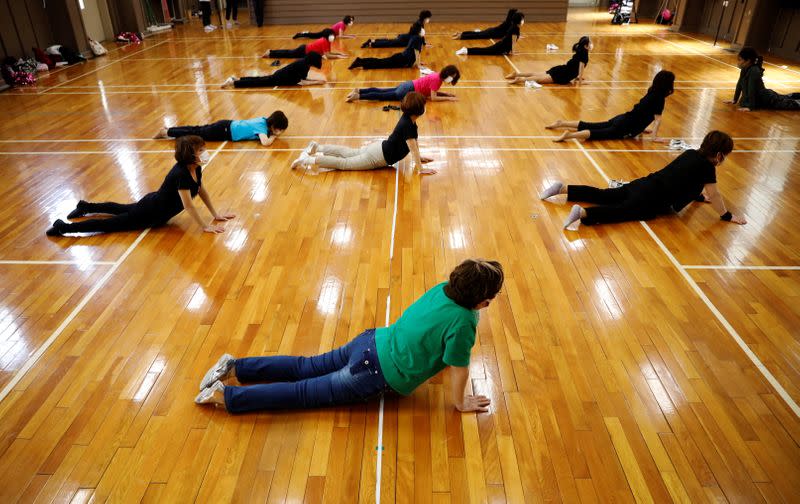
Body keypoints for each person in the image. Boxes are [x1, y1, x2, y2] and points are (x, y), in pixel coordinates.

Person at [194, 259, 503, 413]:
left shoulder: (444, 289)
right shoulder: (465, 320)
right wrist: (460, 402)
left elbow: (430, 333)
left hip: (369, 341)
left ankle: (235, 367)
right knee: (302, 393)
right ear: (483, 301)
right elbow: (459, 366)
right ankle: (226, 396)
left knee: (305, 366)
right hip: (373, 371)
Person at [539, 130, 747, 229]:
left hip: (644, 183)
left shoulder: (691, 153)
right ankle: (584, 213)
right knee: (623, 211)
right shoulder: (708, 168)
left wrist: (698, 198)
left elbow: (684, 179)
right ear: (719, 155)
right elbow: (715, 193)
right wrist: (727, 216)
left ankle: (564, 188)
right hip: (652, 199)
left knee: (606, 194)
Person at [45, 136, 235, 237]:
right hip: (149, 213)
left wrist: (215, 215)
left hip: (152, 204)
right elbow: (188, 205)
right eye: (200, 150)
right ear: (189, 155)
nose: (205, 152)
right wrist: (205, 227)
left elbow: (201, 191)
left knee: (119, 209)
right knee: (108, 225)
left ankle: (85, 207)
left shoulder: (196, 168)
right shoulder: (182, 174)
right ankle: (63, 228)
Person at [290, 92, 436, 174]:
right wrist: (420, 168)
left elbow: (413, 144)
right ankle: (307, 160)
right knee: (345, 163)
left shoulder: (409, 119)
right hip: (378, 157)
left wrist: (420, 157)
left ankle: (317, 148)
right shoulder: (408, 124)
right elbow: (411, 145)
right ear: (418, 109)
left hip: (378, 148)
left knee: (348, 153)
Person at [547, 70, 674, 142]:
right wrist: (655, 137)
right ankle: (569, 135)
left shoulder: (651, 91)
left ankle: (562, 122)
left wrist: (641, 129)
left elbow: (642, 112)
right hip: (626, 126)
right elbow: (657, 120)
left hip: (622, 118)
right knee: (599, 134)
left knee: (593, 125)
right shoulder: (660, 98)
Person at [154, 111, 289, 147]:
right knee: (196, 133)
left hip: (226, 126)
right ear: (273, 126)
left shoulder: (264, 121)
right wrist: (273, 137)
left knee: (196, 130)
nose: (279, 133)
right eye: (279, 130)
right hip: (223, 130)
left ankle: (169, 130)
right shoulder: (262, 127)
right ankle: (166, 132)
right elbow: (265, 143)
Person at [725, 47, 800, 111]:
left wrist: (750, 107)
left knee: (792, 104)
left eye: (740, 60)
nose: (738, 62)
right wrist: (734, 100)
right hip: (764, 97)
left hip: (767, 99)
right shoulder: (744, 68)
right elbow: (739, 84)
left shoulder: (754, 71)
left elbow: (752, 89)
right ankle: (792, 95)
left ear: (748, 61)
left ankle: (793, 96)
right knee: (785, 97)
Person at [506, 36, 592, 87]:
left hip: (561, 69)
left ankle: (517, 74)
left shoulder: (580, 51)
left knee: (537, 74)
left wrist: (577, 77)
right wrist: (581, 82)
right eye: (590, 43)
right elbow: (580, 69)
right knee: (539, 79)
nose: (592, 45)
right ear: (585, 46)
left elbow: (576, 68)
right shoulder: (584, 55)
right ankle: (519, 79)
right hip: (563, 75)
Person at [346, 65, 460, 102]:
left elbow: (432, 91)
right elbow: (433, 97)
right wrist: (448, 99)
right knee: (382, 96)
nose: (451, 79)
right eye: (452, 77)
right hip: (408, 91)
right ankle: (358, 96)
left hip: (407, 85)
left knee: (382, 91)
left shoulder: (437, 75)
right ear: (447, 74)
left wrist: (446, 94)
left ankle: (359, 90)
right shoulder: (437, 80)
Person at [221, 52, 326, 88]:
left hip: (280, 76)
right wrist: (317, 82)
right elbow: (301, 82)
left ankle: (236, 79)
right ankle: (233, 83)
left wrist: (316, 81)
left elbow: (304, 78)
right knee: (258, 83)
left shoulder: (305, 64)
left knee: (259, 79)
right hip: (279, 78)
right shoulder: (303, 65)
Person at [350, 23, 424, 70]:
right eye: (422, 29)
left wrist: (418, 62)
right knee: (380, 63)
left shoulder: (415, 37)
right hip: (400, 60)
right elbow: (416, 52)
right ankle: (360, 61)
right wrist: (418, 64)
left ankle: (360, 61)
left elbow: (415, 53)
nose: (423, 30)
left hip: (400, 58)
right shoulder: (417, 38)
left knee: (380, 62)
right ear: (419, 30)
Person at [455, 13, 524, 56]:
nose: (523, 21)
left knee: (484, 50)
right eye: (522, 19)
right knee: (483, 51)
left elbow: (510, 40)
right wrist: (513, 51)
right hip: (500, 48)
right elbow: (513, 42)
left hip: (501, 46)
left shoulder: (513, 27)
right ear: (519, 20)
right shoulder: (515, 29)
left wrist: (510, 50)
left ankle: (466, 50)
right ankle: (466, 50)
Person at [362, 10, 432, 48]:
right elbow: (416, 36)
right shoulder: (418, 24)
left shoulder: (420, 23)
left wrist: (424, 44)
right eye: (428, 18)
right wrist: (422, 44)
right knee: (388, 43)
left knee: (389, 41)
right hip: (404, 40)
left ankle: (372, 40)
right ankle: (371, 44)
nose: (429, 20)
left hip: (404, 38)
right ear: (425, 18)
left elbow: (420, 36)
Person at [263, 29, 348, 60]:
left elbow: (329, 53)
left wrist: (340, 54)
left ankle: (270, 53)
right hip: (303, 51)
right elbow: (328, 56)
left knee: (288, 54)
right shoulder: (324, 41)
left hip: (304, 50)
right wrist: (339, 57)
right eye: (331, 35)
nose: (333, 36)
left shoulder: (327, 41)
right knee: (288, 54)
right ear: (327, 36)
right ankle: (270, 53)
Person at [451, 8, 518, 39]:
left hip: (492, 31)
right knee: (477, 35)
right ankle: (461, 36)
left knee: (477, 33)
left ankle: (461, 33)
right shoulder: (509, 23)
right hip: (492, 33)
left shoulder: (508, 22)